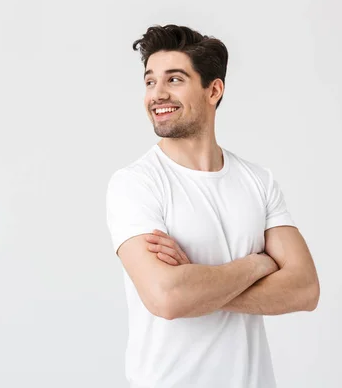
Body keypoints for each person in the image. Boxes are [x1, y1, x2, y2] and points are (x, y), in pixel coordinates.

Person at [105, 24, 320, 388]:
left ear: (213, 89)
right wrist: (258, 264)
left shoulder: (258, 181)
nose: (157, 94)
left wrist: (199, 285)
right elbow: (167, 297)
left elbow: (305, 289)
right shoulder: (135, 184)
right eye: (149, 81)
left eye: (174, 79)